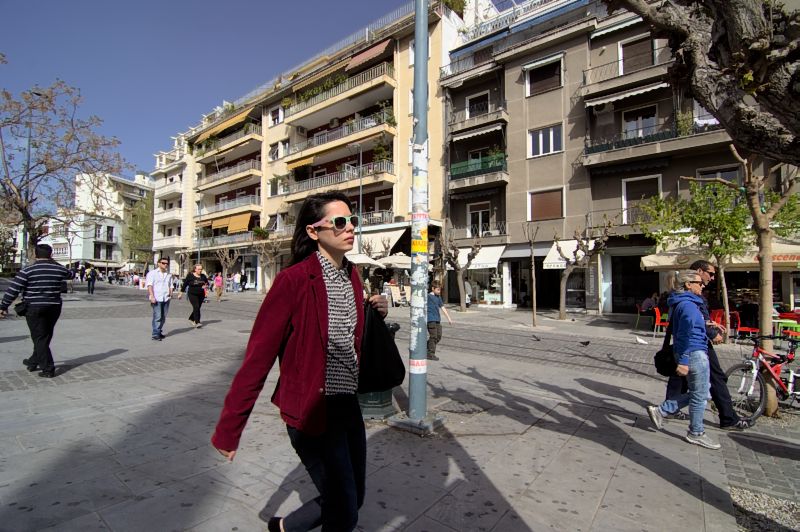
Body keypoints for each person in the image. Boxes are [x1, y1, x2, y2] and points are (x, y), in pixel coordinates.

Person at [211, 192, 388, 532]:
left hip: (347, 405)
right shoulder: (292, 281)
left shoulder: (352, 276)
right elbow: (257, 358)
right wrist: (228, 430)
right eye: (339, 222)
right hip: (310, 410)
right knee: (344, 510)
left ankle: (284, 527)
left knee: (355, 497)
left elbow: (349, 340)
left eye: (353, 221)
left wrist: (373, 313)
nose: (349, 227)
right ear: (312, 232)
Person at [661, 260, 752, 431]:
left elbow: (694, 322)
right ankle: (719, 421)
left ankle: (671, 411)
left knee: (684, 380)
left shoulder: (683, 298)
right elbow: (690, 327)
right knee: (710, 384)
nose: (710, 279)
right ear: (697, 274)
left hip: (689, 344)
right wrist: (710, 333)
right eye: (709, 274)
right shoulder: (689, 301)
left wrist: (709, 325)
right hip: (695, 345)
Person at [647, 270, 721, 450]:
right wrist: (685, 360)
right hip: (694, 352)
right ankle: (695, 432)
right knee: (700, 394)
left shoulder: (684, 303)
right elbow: (685, 334)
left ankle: (663, 410)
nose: (702, 285)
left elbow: (688, 327)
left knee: (700, 392)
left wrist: (706, 325)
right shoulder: (687, 305)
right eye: (699, 283)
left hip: (694, 351)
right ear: (688, 285)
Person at [0, 244, 71, 378]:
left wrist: (3, 306)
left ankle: (48, 368)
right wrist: (52, 262)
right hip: (54, 307)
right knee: (45, 335)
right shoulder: (59, 269)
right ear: (50, 255)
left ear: (35, 255)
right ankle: (34, 360)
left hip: (34, 307)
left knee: (39, 337)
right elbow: (71, 273)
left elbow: (13, 290)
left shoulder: (28, 270)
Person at [146, 258, 174, 341]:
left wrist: (171, 293)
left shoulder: (168, 274)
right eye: (163, 263)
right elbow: (149, 285)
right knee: (158, 316)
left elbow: (171, 285)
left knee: (163, 317)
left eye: (166, 263)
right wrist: (152, 296)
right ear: (158, 263)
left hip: (166, 297)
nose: (165, 265)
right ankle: (155, 334)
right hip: (156, 297)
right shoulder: (152, 273)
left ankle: (159, 331)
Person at [426, 281, 453, 361]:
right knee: (433, 336)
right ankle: (430, 354)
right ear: (433, 289)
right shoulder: (428, 296)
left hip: (437, 319)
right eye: (438, 290)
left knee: (438, 336)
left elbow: (442, 307)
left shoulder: (438, 297)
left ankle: (426, 347)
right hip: (430, 319)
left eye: (440, 290)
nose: (439, 291)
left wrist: (449, 318)